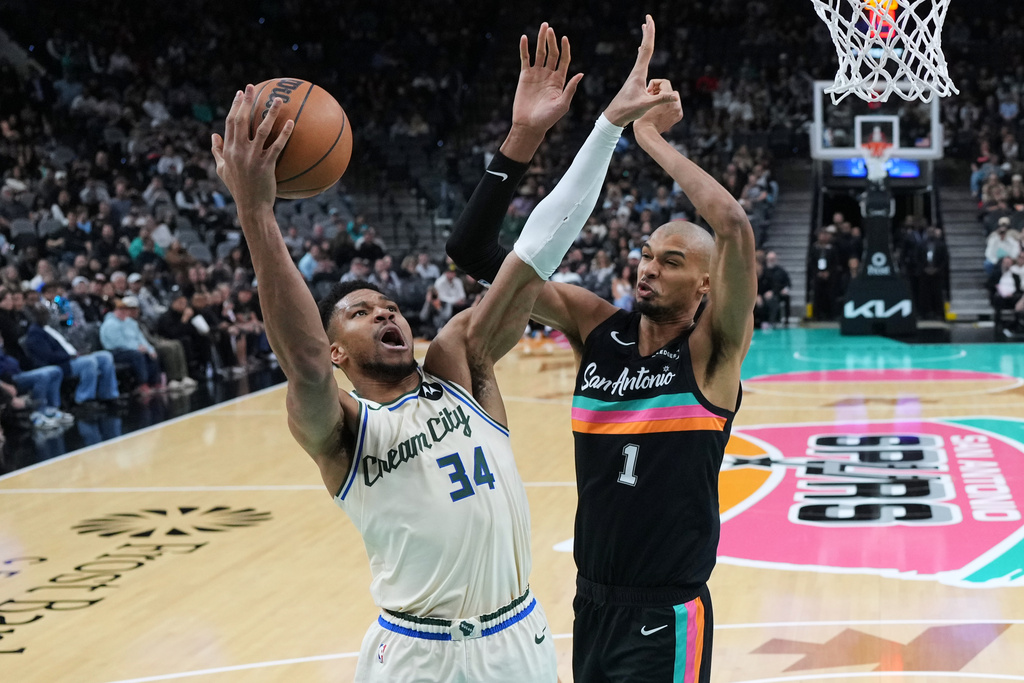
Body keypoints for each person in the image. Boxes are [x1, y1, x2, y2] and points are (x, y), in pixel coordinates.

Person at [210, 19, 672, 683]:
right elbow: (303, 363)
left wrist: (580, 132)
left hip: (518, 639)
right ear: (337, 348)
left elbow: (535, 250)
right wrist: (258, 213)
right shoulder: (341, 431)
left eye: (390, 306)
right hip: (417, 654)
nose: (386, 314)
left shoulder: (462, 362)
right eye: (361, 313)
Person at [447, 25, 754, 683]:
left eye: (671, 262)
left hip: (666, 613)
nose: (648, 268)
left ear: (706, 285)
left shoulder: (712, 354)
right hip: (591, 602)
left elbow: (730, 224)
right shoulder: (597, 328)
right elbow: (476, 252)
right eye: (644, 254)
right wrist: (520, 140)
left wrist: (646, 139)